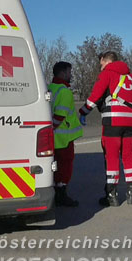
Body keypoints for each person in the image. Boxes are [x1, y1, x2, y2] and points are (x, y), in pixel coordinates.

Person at [78, 51, 132, 206]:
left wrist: (83, 112)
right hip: (130, 122)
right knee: (128, 155)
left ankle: (112, 195)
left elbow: (95, 96)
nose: (100, 65)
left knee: (112, 157)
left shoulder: (107, 74)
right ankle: (131, 192)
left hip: (113, 121)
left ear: (105, 60)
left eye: (101, 62)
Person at [49, 61, 84, 207]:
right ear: (63, 73)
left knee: (55, 166)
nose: (71, 75)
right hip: (63, 138)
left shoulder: (50, 88)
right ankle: (61, 193)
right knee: (65, 166)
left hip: (51, 138)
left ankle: (56, 190)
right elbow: (60, 115)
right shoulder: (65, 92)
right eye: (69, 72)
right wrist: (53, 128)